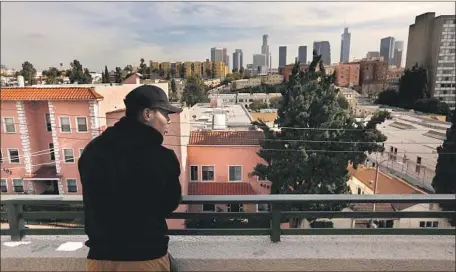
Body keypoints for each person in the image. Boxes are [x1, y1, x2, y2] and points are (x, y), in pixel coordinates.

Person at [79, 85, 183, 271]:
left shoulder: (93, 150)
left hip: (100, 258)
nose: (169, 121)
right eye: (165, 114)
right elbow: (169, 204)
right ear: (147, 114)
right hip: (144, 257)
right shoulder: (162, 157)